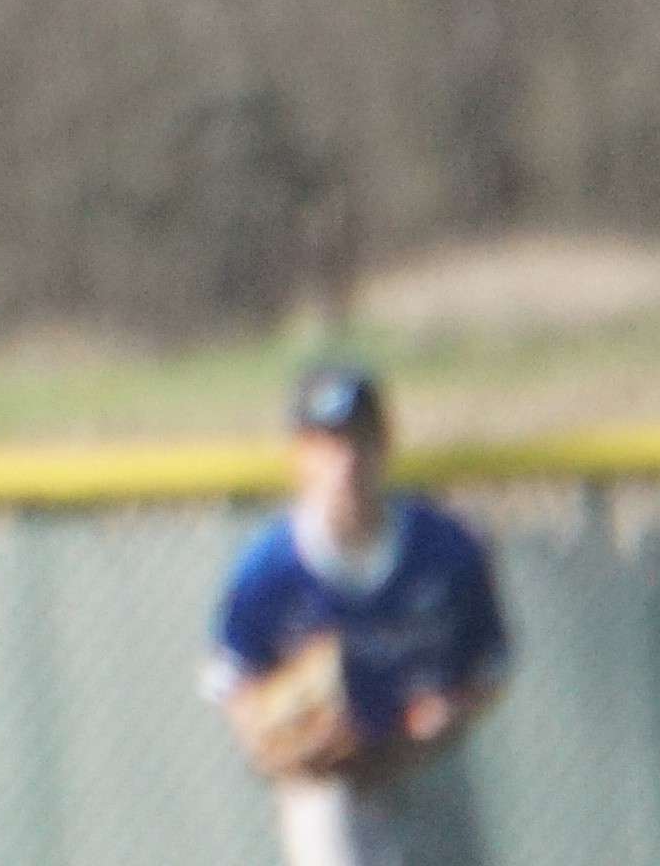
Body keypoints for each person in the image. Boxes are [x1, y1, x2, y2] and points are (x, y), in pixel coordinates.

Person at [206, 364, 512, 866]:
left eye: (359, 442)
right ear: (299, 454)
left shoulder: (445, 552)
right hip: (326, 780)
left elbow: (489, 665)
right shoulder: (269, 571)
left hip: (427, 767)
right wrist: (267, 734)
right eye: (327, 445)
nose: (345, 463)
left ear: (384, 445)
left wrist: (452, 713)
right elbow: (231, 676)